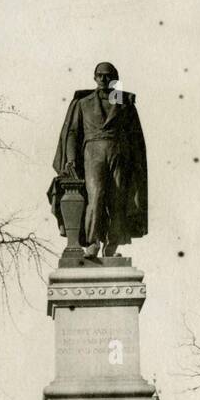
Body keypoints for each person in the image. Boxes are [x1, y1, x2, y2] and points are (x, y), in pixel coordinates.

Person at [48, 62, 148, 258]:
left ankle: (111, 246)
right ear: (94, 78)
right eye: (100, 75)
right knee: (96, 197)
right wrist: (70, 158)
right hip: (92, 154)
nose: (103, 79)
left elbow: (135, 135)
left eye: (108, 76)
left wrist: (135, 165)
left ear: (115, 80)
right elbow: (72, 133)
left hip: (119, 154)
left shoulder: (124, 103)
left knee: (118, 200)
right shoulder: (83, 103)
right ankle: (93, 243)